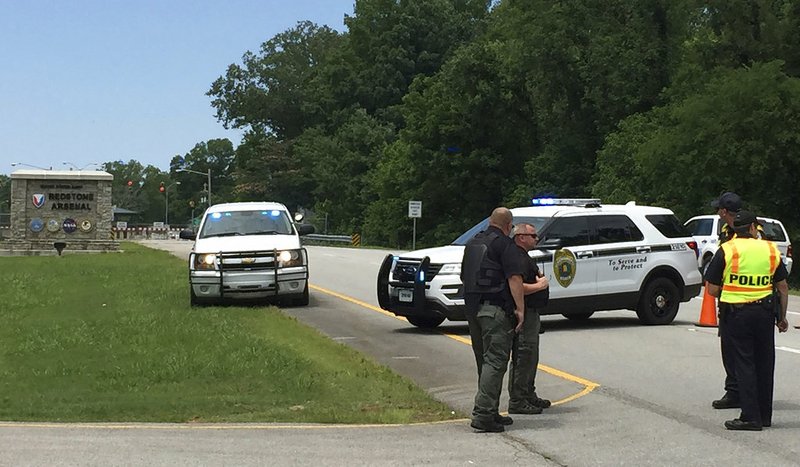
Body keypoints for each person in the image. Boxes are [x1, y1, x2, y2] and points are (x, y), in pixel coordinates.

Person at [704, 210, 789, 431]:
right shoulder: (770, 249)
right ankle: (764, 415)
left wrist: (731, 287)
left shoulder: (727, 250)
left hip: (737, 314)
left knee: (744, 363)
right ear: (753, 228)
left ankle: (750, 417)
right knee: (765, 363)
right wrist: (783, 317)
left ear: (734, 230)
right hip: (764, 313)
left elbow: (712, 289)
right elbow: (782, 287)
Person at [461, 207, 525, 432]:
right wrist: (520, 310)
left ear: (490, 221)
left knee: (485, 362)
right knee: (496, 361)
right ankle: (483, 414)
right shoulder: (504, 244)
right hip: (495, 309)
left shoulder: (472, 243)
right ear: (508, 226)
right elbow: (514, 278)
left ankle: (491, 409)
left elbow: (464, 275)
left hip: (472, 309)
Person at [507, 223, 551, 414]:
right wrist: (539, 286)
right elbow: (516, 286)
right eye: (533, 236)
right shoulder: (516, 257)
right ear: (521, 237)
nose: (537, 239)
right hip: (524, 312)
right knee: (523, 354)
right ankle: (517, 399)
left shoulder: (524, 256)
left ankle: (528, 394)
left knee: (531, 356)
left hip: (533, 312)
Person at [709, 191, 742, 410]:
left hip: (746, 296)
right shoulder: (725, 230)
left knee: (741, 350)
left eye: (719, 209)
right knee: (729, 349)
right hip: (728, 296)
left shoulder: (751, 229)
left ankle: (740, 392)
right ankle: (734, 390)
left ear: (724, 211)